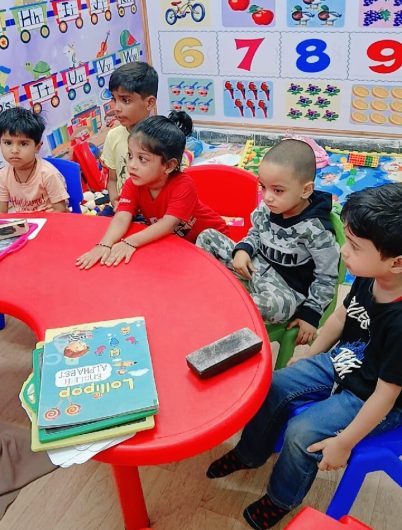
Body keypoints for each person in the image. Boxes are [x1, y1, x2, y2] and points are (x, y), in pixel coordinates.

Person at [206, 183, 402, 530]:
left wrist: (344, 443)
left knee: (301, 433)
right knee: (273, 384)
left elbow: (385, 395)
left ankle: (281, 498)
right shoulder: (372, 276)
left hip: (371, 396)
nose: (343, 251)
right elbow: (342, 317)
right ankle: (250, 452)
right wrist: (311, 354)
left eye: (354, 247)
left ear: (397, 262)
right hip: (344, 362)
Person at [197, 139, 339, 344]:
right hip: (255, 266)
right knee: (207, 236)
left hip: (285, 290)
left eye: (278, 190)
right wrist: (243, 250)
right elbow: (256, 233)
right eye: (263, 187)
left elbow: (327, 277)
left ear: (305, 190)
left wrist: (311, 315)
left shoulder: (317, 231)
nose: (268, 197)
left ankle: (220, 302)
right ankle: (217, 290)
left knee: (276, 306)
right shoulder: (268, 207)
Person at [76, 111, 228, 270]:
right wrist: (104, 244)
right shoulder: (133, 184)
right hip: (179, 245)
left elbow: (167, 225)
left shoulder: (183, 184)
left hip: (214, 241)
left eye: (142, 159)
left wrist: (130, 242)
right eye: (130, 155)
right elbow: (122, 217)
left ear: (168, 166)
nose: (132, 165)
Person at [100, 61, 158, 212]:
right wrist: (115, 202)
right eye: (114, 99)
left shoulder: (162, 138)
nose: (116, 108)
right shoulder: (113, 136)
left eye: (125, 100)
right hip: (123, 210)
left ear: (149, 103)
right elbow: (112, 180)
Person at [0, 107, 69, 213]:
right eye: (8, 143)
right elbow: (2, 215)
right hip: (25, 225)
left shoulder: (48, 174)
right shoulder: (3, 176)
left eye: (23, 144)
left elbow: (61, 211)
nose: (14, 150)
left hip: (51, 223)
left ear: (37, 147)